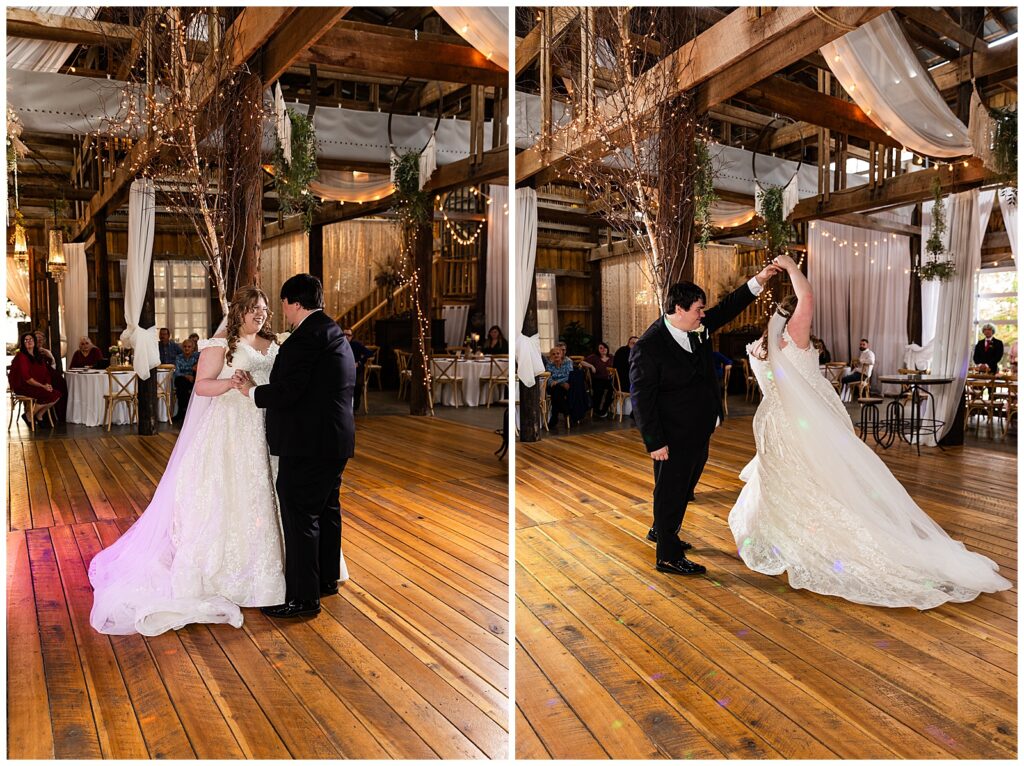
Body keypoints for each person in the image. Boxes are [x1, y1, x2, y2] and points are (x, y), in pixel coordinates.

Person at [729, 254, 1012, 608]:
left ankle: (792, 537)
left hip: (774, 425)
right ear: (794, 316)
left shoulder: (761, 347)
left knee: (793, 482)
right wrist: (790, 266)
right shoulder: (793, 336)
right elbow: (809, 297)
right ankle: (823, 537)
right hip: (803, 422)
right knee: (822, 479)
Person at [88, 286, 312, 635]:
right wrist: (231, 385)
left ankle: (270, 573)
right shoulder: (220, 345)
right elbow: (201, 386)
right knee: (229, 496)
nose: (260, 314)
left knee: (265, 496)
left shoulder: (275, 344)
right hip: (229, 430)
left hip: (267, 428)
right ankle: (227, 574)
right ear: (238, 311)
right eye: (254, 308)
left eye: (264, 308)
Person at [630, 261, 781, 576]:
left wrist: (760, 279)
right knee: (670, 489)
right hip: (672, 433)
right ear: (680, 308)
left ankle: (662, 529)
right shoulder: (649, 346)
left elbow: (729, 307)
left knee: (684, 486)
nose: (703, 314)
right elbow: (641, 398)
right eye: (699, 309)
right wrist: (654, 442)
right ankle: (668, 555)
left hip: (699, 428)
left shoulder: (696, 327)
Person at [235, 274, 356, 619]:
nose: (281, 311)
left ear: (294, 303)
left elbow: (291, 390)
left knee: (301, 516)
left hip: (308, 443)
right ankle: (326, 579)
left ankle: (303, 599)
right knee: (327, 510)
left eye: (283, 303)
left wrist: (252, 391)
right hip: (334, 439)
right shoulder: (332, 332)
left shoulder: (306, 338)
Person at [8, 332, 61, 427]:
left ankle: (39, 415)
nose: (29, 341)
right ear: (22, 343)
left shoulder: (38, 355)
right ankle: (29, 415)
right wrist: (43, 386)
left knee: (57, 394)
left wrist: (48, 384)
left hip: (36, 385)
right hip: (23, 386)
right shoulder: (21, 356)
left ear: (34, 341)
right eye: (26, 340)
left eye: (31, 339)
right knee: (46, 395)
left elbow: (46, 373)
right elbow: (27, 378)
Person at [34, 330, 68, 423]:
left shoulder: (46, 351)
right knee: (58, 386)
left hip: (50, 374)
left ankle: (60, 416)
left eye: (41, 339)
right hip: (40, 378)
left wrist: (51, 357)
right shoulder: (31, 351)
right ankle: (44, 416)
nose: (39, 341)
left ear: (44, 340)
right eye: (37, 339)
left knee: (62, 384)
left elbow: (53, 366)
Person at [543, 345, 575, 428]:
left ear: (561, 355)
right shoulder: (549, 365)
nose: (556, 355)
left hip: (565, 386)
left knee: (556, 392)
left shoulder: (567, 362)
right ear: (551, 356)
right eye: (553, 354)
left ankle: (554, 418)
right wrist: (553, 382)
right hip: (553, 386)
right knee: (556, 390)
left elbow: (569, 376)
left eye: (558, 353)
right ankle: (566, 411)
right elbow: (548, 376)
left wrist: (557, 381)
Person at [582, 341, 614, 418]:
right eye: (601, 348)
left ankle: (603, 410)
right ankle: (597, 409)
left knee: (611, 391)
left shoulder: (611, 357)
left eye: (605, 347)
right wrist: (591, 366)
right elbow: (582, 362)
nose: (603, 349)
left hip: (609, 379)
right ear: (598, 350)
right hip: (597, 379)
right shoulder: (594, 357)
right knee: (599, 390)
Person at [342, 328, 372, 412]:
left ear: (352, 336)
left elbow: (370, 353)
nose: (346, 337)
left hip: (356, 371)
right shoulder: (339, 345)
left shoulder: (356, 344)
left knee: (358, 385)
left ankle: (355, 408)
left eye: (349, 335)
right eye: (344, 334)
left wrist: (359, 362)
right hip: (343, 371)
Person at [172, 338, 200, 422]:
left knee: (182, 389)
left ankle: (182, 412)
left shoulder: (197, 356)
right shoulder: (178, 357)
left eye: (189, 347)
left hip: (193, 380)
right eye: (185, 347)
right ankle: (185, 412)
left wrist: (197, 365)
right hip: (181, 379)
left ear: (193, 348)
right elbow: (176, 372)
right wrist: (187, 376)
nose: (187, 348)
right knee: (181, 383)